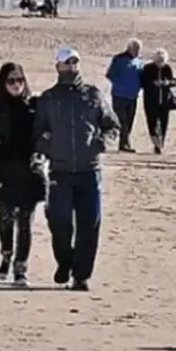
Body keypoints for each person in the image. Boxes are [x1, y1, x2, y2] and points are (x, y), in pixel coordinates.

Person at [35, 47, 120, 292]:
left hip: (89, 170)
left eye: (75, 62)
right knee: (59, 221)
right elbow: (37, 134)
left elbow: (111, 124)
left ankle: (81, 276)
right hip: (60, 171)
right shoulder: (49, 99)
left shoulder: (93, 95)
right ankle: (65, 262)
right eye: (66, 62)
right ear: (57, 66)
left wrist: (101, 142)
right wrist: (48, 146)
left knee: (89, 222)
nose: (71, 66)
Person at [0, 62, 47, 286]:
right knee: (5, 220)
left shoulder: (34, 105)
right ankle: (6, 254)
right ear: (3, 83)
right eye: (11, 81)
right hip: (4, 173)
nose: (17, 85)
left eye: (20, 80)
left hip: (30, 172)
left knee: (26, 223)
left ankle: (21, 268)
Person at [105, 38, 143, 152]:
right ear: (129, 48)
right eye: (135, 49)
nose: (137, 52)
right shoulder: (119, 59)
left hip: (133, 96)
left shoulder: (139, 62)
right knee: (122, 121)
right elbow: (110, 74)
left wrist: (138, 87)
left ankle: (124, 143)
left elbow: (141, 77)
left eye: (139, 50)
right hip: (119, 95)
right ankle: (124, 144)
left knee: (130, 120)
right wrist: (120, 85)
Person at [140, 48, 176, 154]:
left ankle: (160, 144)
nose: (160, 63)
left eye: (162, 61)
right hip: (150, 101)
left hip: (165, 101)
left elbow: (173, 82)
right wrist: (153, 83)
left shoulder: (167, 68)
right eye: (158, 60)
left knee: (164, 124)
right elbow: (142, 83)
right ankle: (156, 143)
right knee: (152, 123)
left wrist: (167, 83)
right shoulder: (148, 68)